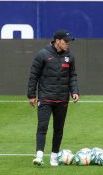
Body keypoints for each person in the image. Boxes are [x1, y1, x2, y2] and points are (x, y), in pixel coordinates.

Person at [27, 29, 79, 166]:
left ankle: (54, 157)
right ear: (57, 41)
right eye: (65, 41)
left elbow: (72, 76)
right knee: (42, 127)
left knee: (58, 129)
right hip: (45, 98)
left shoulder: (70, 57)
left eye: (69, 41)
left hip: (62, 99)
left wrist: (75, 91)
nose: (68, 44)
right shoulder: (43, 54)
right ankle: (39, 156)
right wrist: (32, 95)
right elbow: (34, 76)